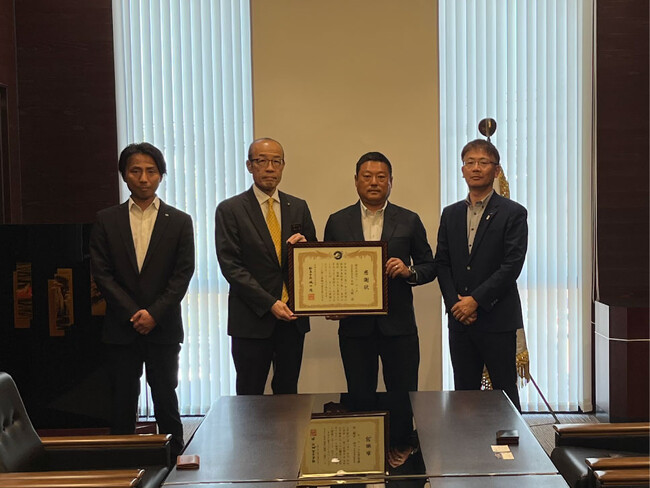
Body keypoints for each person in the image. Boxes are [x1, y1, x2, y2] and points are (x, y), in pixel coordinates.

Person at [89, 142, 195, 459]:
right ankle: (120, 464)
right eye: (136, 171)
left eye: (151, 171)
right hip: (121, 328)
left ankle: (174, 459)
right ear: (124, 175)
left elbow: (183, 273)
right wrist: (133, 313)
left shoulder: (179, 221)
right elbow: (102, 273)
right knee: (122, 399)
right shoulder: (107, 219)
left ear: (161, 175)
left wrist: (154, 314)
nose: (144, 178)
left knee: (165, 396)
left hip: (163, 327)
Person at [324, 151, 436, 394]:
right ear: (356, 181)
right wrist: (330, 305)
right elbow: (329, 271)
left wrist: (408, 271)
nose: (374, 182)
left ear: (391, 182)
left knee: (404, 396)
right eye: (367, 176)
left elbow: (429, 266)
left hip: (399, 327)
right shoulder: (337, 221)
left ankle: (402, 423)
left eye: (381, 177)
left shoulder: (409, 220)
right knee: (360, 396)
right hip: (354, 328)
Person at [215, 137, 317, 395]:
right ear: (250, 165)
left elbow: (314, 258)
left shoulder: (298, 207)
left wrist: (306, 248)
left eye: (276, 161)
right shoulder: (231, 209)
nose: (270, 168)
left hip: (292, 319)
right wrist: (270, 303)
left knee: (288, 393)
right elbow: (231, 266)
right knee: (250, 395)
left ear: (283, 166)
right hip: (251, 319)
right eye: (262, 161)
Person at [435, 139, 527, 411]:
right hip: (460, 320)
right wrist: (456, 305)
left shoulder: (513, 213)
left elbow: (512, 265)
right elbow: (442, 263)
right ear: (462, 170)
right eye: (470, 162)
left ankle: (510, 440)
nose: (476, 168)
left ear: (496, 170)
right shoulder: (450, 214)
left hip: (497, 318)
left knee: (504, 394)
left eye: (483, 162)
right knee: (464, 394)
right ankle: (466, 441)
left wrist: (475, 301)